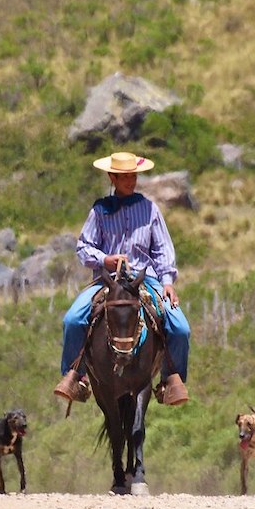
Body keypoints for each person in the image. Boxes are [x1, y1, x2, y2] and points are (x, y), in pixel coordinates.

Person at [53, 151, 191, 406]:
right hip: (108, 281)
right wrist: (105, 259)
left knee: (181, 328)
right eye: (125, 176)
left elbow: (162, 249)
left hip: (145, 279)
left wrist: (168, 281)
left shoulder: (149, 209)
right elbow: (84, 247)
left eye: (133, 175)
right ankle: (76, 378)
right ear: (112, 177)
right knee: (72, 319)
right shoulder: (100, 210)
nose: (131, 180)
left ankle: (171, 380)